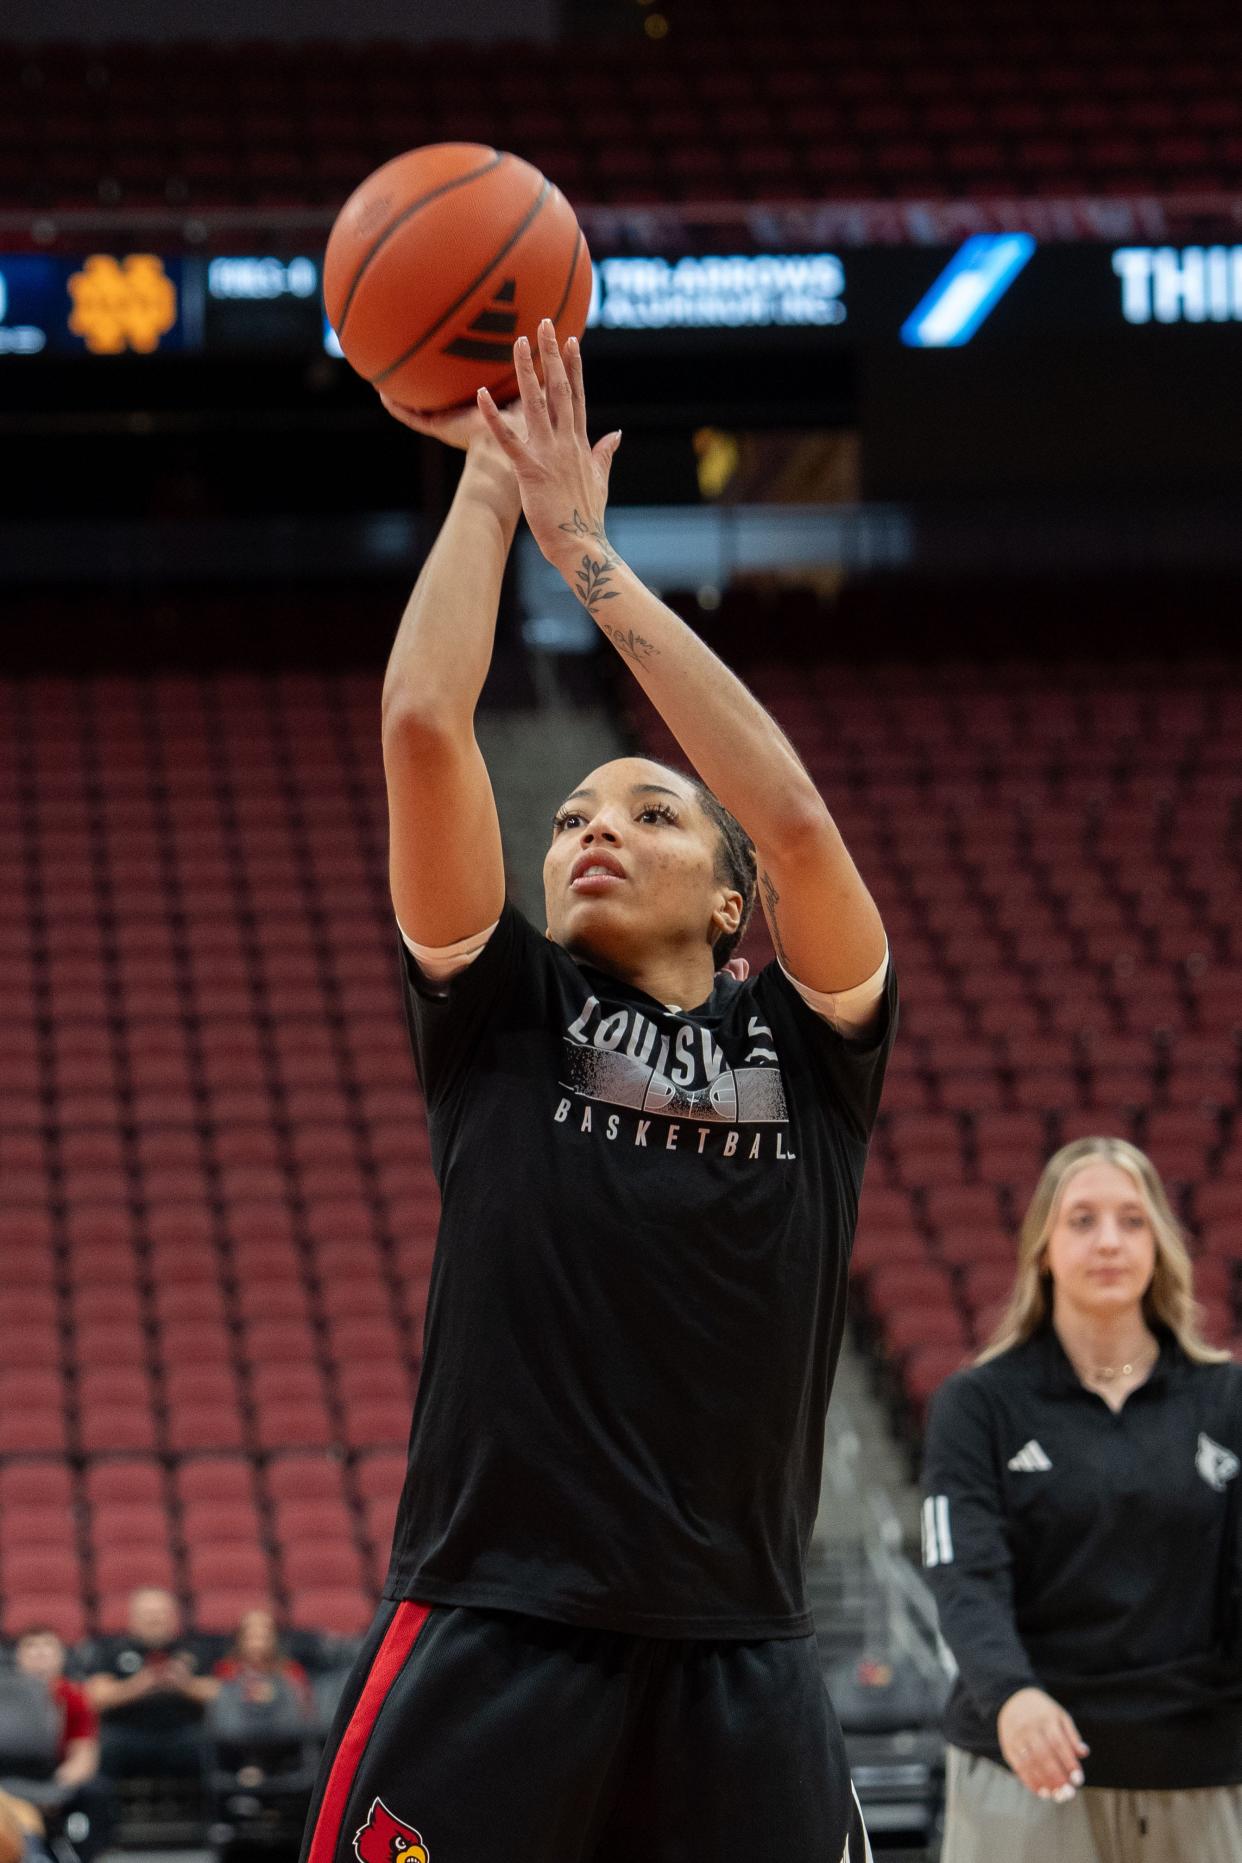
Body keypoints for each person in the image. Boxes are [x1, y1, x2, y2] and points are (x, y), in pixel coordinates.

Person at [298, 322, 896, 1863]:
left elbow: (796, 813)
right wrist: (494, 491)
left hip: (737, 1651)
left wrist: (592, 559)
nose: (588, 827)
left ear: (727, 905)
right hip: (499, 1621)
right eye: (567, 814)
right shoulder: (503, 1010)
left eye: (642, 808)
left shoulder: (808, 1049)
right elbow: (426, 725)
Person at [922, 1135, 1242, 1862]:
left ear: (1161, 1244)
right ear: (1041, 1246)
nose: (1109, 1240)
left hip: (1199, 1770)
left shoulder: (1228, 1399)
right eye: (1082, 1219)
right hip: (1025, 1767)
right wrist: (1011, 1695)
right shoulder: (977, 1404)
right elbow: (963, 1574)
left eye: (1132, 1220)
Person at [84, 1587, 219, 1784]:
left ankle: (215, 1815)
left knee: (213, 1749)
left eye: (160, 1613)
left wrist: (185, 1685)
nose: (154, 1620)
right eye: (147, 1614)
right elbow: (95, 1697)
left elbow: (219, 1694)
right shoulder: (111, 1649)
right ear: (133, 1618)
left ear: (173, 1618)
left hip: (184, 1733)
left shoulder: (194, 1649)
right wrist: (139, 1685)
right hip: (127, 1734)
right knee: (103, 1752)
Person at [7, 1628, 111, 1862]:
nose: (39, 1653)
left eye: (47, 1646)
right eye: (31, 1646)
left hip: (57, 1779)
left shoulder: (75, 1697)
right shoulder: (5, 1698)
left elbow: (84, 1756)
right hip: (8, 1783)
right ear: (18, 1657)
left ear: (61, 1656)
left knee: (96, 1790)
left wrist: (53, 1789)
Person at [213, 1610, 313, 1715]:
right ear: (239, 1639)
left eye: (263, 1638)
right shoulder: (227, 1668)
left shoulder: (291, 1670)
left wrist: (278, 1693)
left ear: (274, 1639)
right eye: (251, 1637)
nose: (257, 1645)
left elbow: (305, 1708)